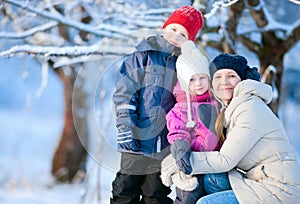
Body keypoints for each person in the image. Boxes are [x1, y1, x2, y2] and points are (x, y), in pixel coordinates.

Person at [111, 6, 204, 204]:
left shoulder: (185, 64)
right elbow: (125, 94)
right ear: (165, 27)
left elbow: (190, 99)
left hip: (164, 144)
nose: (176, 36)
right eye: (173, 29)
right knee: (125, 189)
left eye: (183, 34)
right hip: (135, 138)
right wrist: (126, 128)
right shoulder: (143, 55)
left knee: (156, 193)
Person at [184, 53, 300, 203]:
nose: (224, 82)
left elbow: (225, 160)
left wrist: (181, 160)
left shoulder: (250, 107)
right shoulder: (230, 110)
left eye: (231, 76)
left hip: (280, 189)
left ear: (242, 80)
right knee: (212, 178)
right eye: (218, 77)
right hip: (258, 181)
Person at [162, 41, 231, 204]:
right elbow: (177, 130)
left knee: (219, 191)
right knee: (189, 197)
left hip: (215, 161)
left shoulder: (217, 102)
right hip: (192, 163)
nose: (199, 83)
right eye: (192, 79)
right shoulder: (182, 107)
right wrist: (180, 147)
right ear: (185, 82)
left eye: (202, 78)